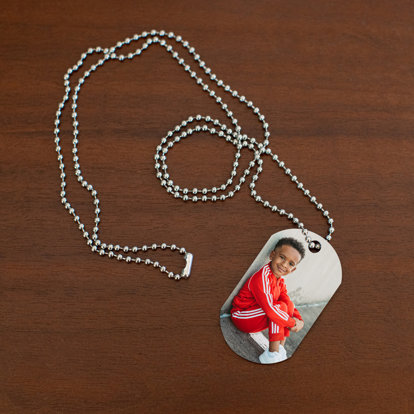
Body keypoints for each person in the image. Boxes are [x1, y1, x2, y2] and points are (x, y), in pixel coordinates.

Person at [231, 237, 306, 364]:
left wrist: (299, 320)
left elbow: (287, 302)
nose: (284, 264)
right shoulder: (262, 277)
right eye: (282, 257)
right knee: (279, 308)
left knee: (287, 303)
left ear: (293, 270)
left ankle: (280, 349)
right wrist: (292, 323)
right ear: (272, 255)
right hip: (242, 317)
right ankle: (272, 355)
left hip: (255, 319)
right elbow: (271, 310)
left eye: (290, 264)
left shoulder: (280, 281)